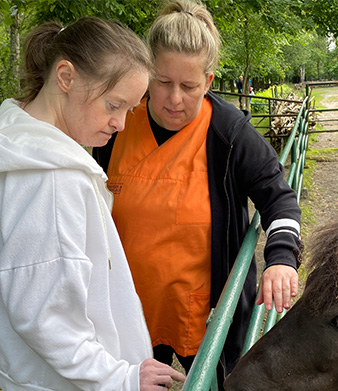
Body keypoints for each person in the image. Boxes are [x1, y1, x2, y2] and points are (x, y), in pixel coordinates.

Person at [93, 0, 302, 384]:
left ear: (207, 82)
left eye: (188, 87)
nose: (174, 99)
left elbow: (280, 197)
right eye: (162, 82)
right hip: (125, 306)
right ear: (145, 74)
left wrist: (281, 257)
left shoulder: (229, 134)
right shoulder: (116, 122)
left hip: (201, 315)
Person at [0, 17, 185, 391]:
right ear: (65, 77)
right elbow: (44, 316)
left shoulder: (20, 145)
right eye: (113, 104)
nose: (120, 124)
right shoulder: (50, 179)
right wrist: (120, 378)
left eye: (130, 109)